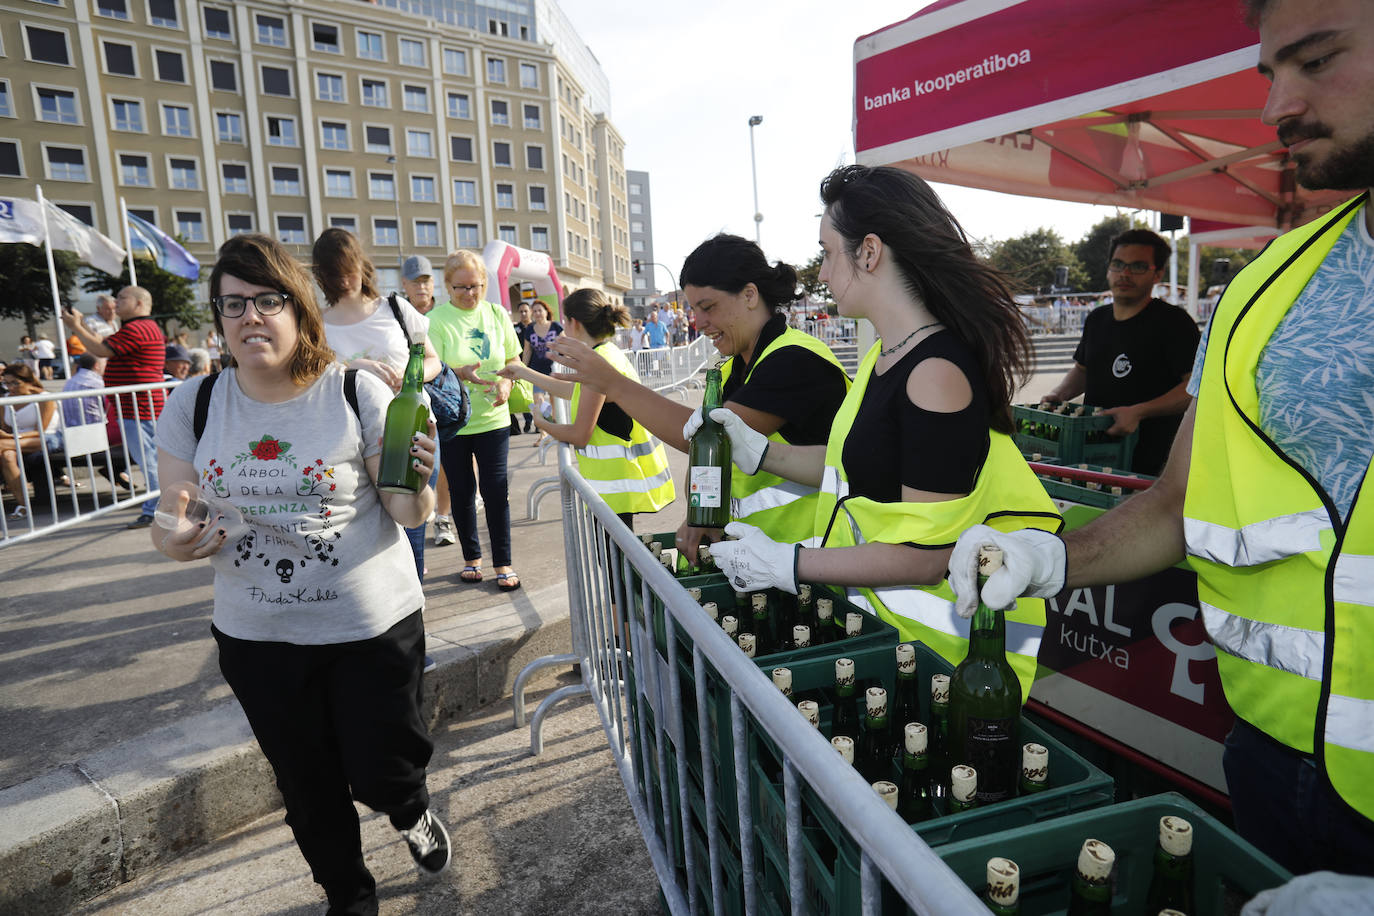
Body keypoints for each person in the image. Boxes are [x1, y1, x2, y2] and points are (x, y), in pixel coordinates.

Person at [948, 0, 1374, 878]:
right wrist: (1052, 557)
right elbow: (1182, 501)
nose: (1274, 109)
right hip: (1271, 759)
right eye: (1269, 74)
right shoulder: (1264, 290)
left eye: (1318, 59)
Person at [153, 233, 449, 915]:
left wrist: (423, 484)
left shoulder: (354, 392)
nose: (249, 317)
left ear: (299, 306)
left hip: (368, 627)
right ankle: (348, 894)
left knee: (384, 770)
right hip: (258, 638)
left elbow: (406, 510)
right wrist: (178, 538)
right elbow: (170, 515)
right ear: (218, 318)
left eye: (266, 300)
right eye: (233, 306)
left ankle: (408, 809)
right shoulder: (194, 403)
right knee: (307, 786)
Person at [703, 167, 1061, 696]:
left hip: (945, 664)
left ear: (869, 252)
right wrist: (761, 455)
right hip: (893, 644)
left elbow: (927, 556)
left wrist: (788, 563)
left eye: (827, 253)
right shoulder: (885, 355)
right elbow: (854, 468)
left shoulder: (934, 374)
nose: (821, 273)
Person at [551, 233, 850, 557]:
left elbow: (706, 436)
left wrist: (615, 384)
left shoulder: (794, 359)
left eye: (708, 307)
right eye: (694, 309)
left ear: (750, 294)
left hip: (816, 561)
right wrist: (701, 514)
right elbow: (704, 456)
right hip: (769, 559)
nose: (699, 323)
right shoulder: (730, 370)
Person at [311, 227, 441, 583]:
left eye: (350, 267)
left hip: (412, 427)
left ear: (362, 264)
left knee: (412, 520)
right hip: (351, 440)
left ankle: (413, 599)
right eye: (336, 272)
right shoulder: (318, 324)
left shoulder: (395, 308)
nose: (347, 279)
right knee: (368, 527)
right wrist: (352, 367)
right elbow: (311, 376)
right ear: (323, 276)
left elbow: (434, 361)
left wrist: (409, 374)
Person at [500, 289, 674, 529]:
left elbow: (580, 433)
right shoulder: (606, 352)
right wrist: (522, 371)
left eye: (564, 319)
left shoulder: (599, 362)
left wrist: (543, 424)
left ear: (574, 323)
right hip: (619, 484)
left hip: (615, 486)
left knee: (615, 563)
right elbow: (575, 392)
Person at [1039, 228, 1199, 475]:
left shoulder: (1174, 323)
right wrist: (1059, 394)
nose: (1124, 274)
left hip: (1153, 464)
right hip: (1092, 457)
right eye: (1118, 264)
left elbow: (1195, 389)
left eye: (1137, 267)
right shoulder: (1096, 319)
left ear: (1157, 274)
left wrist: (1139, 412)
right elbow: (1082, 370)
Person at [427, 250, 523, 591]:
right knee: (462, 490)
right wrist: (459, 372)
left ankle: (503, 562)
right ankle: (471, 558)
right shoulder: (435, 320)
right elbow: (430, 366)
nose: (469, 294)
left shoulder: (497, 313)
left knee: (496, 491)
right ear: (448, 286)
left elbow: (513, 358)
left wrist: (506, 383)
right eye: (461, 288)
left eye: (477, 286)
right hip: (453, 421)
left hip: (494, 418)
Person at [62, 286, 165, 528]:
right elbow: (102, 343)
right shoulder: (139, 327)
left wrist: (76, 327)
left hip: (138, 407)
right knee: (151, 460)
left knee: (148, 462)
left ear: (139, 304)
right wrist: (80, 324)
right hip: (140, 406)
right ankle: (159, 506)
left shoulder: (138, 328)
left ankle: (154, 509)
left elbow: (101, 350)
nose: (116, 302)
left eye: (122, 298)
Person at [1, 363, 60, 519]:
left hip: (46, 437)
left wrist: (13, 437)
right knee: (7, 455)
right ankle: (23, 504)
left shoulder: (44, 398)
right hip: (15, 440)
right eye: (6, 383)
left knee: (3, 446)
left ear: (28, 381)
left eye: (15, 383)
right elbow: (5, 428)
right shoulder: (5, 399)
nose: (10, 387)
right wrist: (9, 436)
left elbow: (42, 429)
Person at [520, 301, 563, 434]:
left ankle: (556, 428)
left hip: (554, 369)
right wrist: (522, 369)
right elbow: (527, 351)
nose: (538, 313)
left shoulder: (555, 326)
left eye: (540, 310)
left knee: (555, 401)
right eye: (535, 311)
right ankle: (544, 432)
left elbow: (565, 344)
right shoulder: (530, 329)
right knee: (538, 400)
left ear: (546, 311)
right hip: (536, 370)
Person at [61, 353, 106, 429]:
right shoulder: (97, 383)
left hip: (71, 429)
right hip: (95, 428)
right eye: (105, 363)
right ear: (96, 366)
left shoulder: (70, 381)